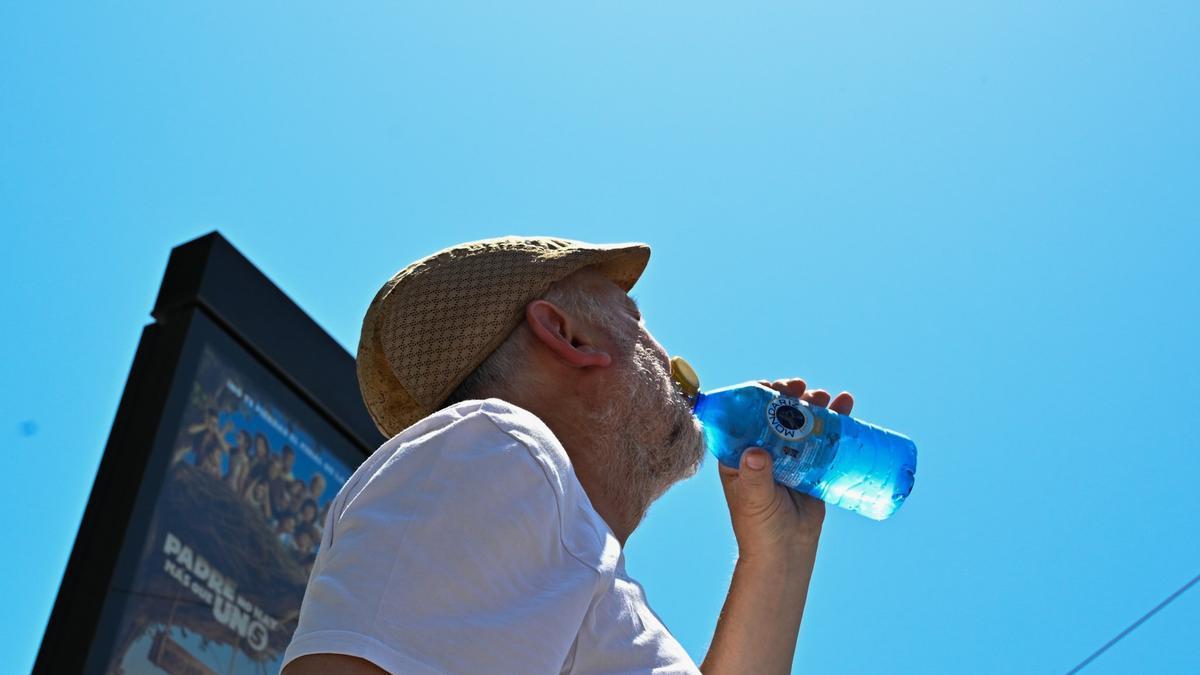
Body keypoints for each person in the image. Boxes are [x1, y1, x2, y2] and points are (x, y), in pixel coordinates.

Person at [282, 237, 854, 674]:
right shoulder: (497, 447)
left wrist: (780, 551)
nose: (668, 356)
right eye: (635, 319)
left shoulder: (589, 579)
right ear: (570, 336)